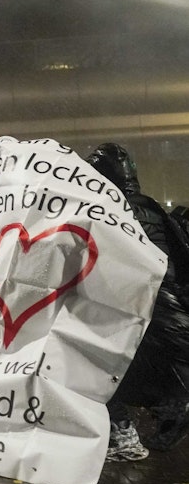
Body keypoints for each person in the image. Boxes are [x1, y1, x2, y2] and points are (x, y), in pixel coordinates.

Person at [85, 142, 189, 461]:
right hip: (172, 316)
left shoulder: (109, 211)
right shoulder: (153, 207)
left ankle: (125, 432)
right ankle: (165, 410)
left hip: (149, 316)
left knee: (92, 363)